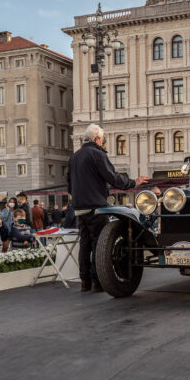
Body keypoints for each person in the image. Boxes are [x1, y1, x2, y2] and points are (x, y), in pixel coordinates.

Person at [67, 123, 148, 292]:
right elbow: (112, 177)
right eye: (102, 140)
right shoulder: (97, 154)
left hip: (80, 206)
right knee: (99, 243)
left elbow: (69, 183)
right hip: (96, 206)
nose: (103, 142)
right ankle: (97, 282)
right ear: (97, 139)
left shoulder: (75, 156)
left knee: (85, 243)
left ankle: (85, 282)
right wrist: (133, 182)